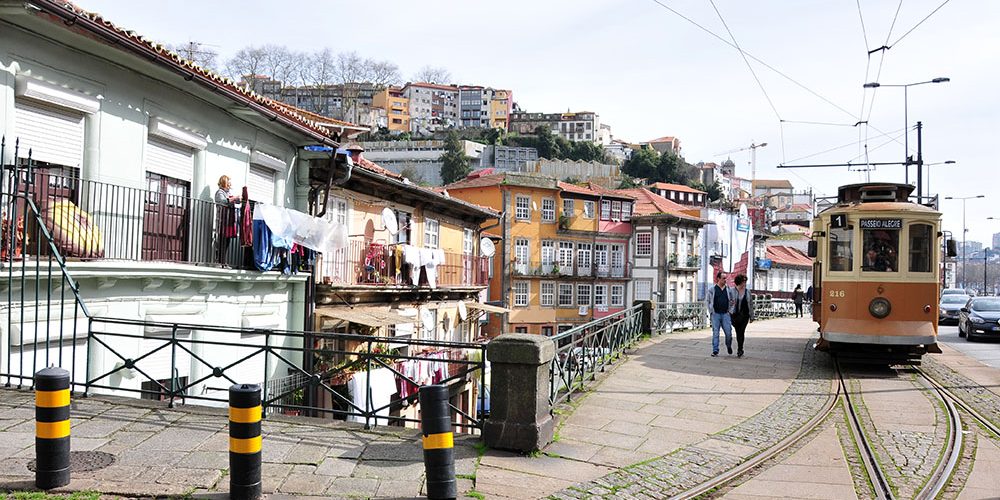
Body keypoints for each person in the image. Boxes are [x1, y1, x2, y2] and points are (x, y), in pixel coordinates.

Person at [704, 271, 737, 356]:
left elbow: (733, 301)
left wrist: (730, 311)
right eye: (723, 278)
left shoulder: (729, 290)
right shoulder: (712, 290)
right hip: (715, 314)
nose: (725, 280)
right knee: (715, 333)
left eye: (726, 278)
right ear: (718, 279)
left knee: (728, 333)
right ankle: (715, 350)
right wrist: (711, 311)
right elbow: (707, 301)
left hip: (726, 314)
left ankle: (728, 345)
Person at [215, 175, 238, 265]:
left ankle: (223, 261)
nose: (230, 184)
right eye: (228, 182)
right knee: (222, 241)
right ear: (224, 182)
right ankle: (220, 262)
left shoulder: (228, 193)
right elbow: (223, 201)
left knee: (227, 241)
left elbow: (233, 201)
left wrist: (238, 199)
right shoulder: (219, 192)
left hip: (229, 221)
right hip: (222, 220)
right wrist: (234, 198)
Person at [732, 274, 754, 358]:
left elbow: (750, 304)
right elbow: (729, 303)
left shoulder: (747, 292)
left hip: (745, 315)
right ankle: (740, 347)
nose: (744, 283)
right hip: (735, 315)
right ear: (739, 282)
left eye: (745, 281)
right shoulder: (732, 291)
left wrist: (752, 316)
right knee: (738, 332)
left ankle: (740, 349)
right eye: (743, 281)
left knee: (742, 331)